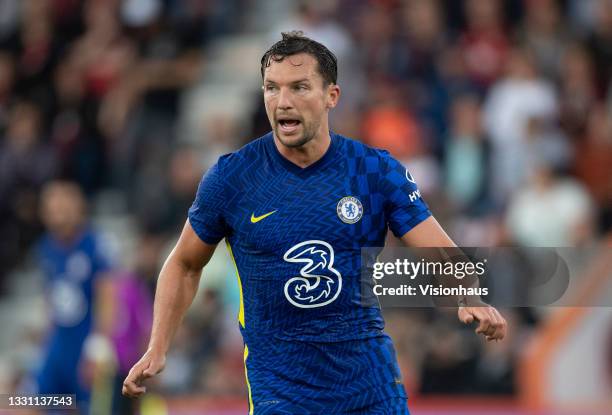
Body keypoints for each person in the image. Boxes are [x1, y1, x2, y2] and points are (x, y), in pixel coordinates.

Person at [123, 32, 507, 414]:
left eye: (299, 87)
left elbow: (436, 248)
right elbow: (185, 263)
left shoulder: (374, 170)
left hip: (369, 385)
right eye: (272, 88)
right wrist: (158, 346)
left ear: (331, 96)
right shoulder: (233, 178)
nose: (283, 101)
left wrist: (468, 294)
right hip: (281, 391)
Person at [35, 180, 113, 414]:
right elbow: (51, 298)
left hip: (85, 345)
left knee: (88, 408)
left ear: (78, 208)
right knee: (30, 403)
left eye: (63, 206)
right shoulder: (45, 248)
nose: (57, 213)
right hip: (59, 345)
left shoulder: (94, 245)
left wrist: (98, 347)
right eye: (51, 207)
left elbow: (108, 297)